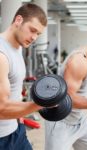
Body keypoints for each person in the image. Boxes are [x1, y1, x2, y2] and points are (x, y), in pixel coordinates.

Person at [0, 3, 47, 150]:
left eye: (38, 34)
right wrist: (40, 104)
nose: (34, 37)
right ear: (18, 20)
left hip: (16, 130)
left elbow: (14, 89)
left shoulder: (18, 47)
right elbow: (1, 108)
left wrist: (20, 117)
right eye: (32, 30)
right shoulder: (1, 55)